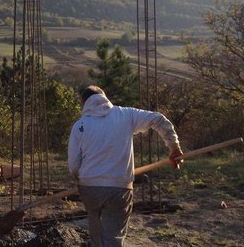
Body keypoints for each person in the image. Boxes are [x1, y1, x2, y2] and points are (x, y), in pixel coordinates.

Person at [68, 85, 183, 247]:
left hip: (90, 188)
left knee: (97, 235)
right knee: (113, 238)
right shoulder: (125, 115)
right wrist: (174, 148)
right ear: (104, 99)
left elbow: (73, 165)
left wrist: (81, 181)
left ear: (84, 104)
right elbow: (158, 119)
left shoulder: (79, 126)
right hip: (119, 187)